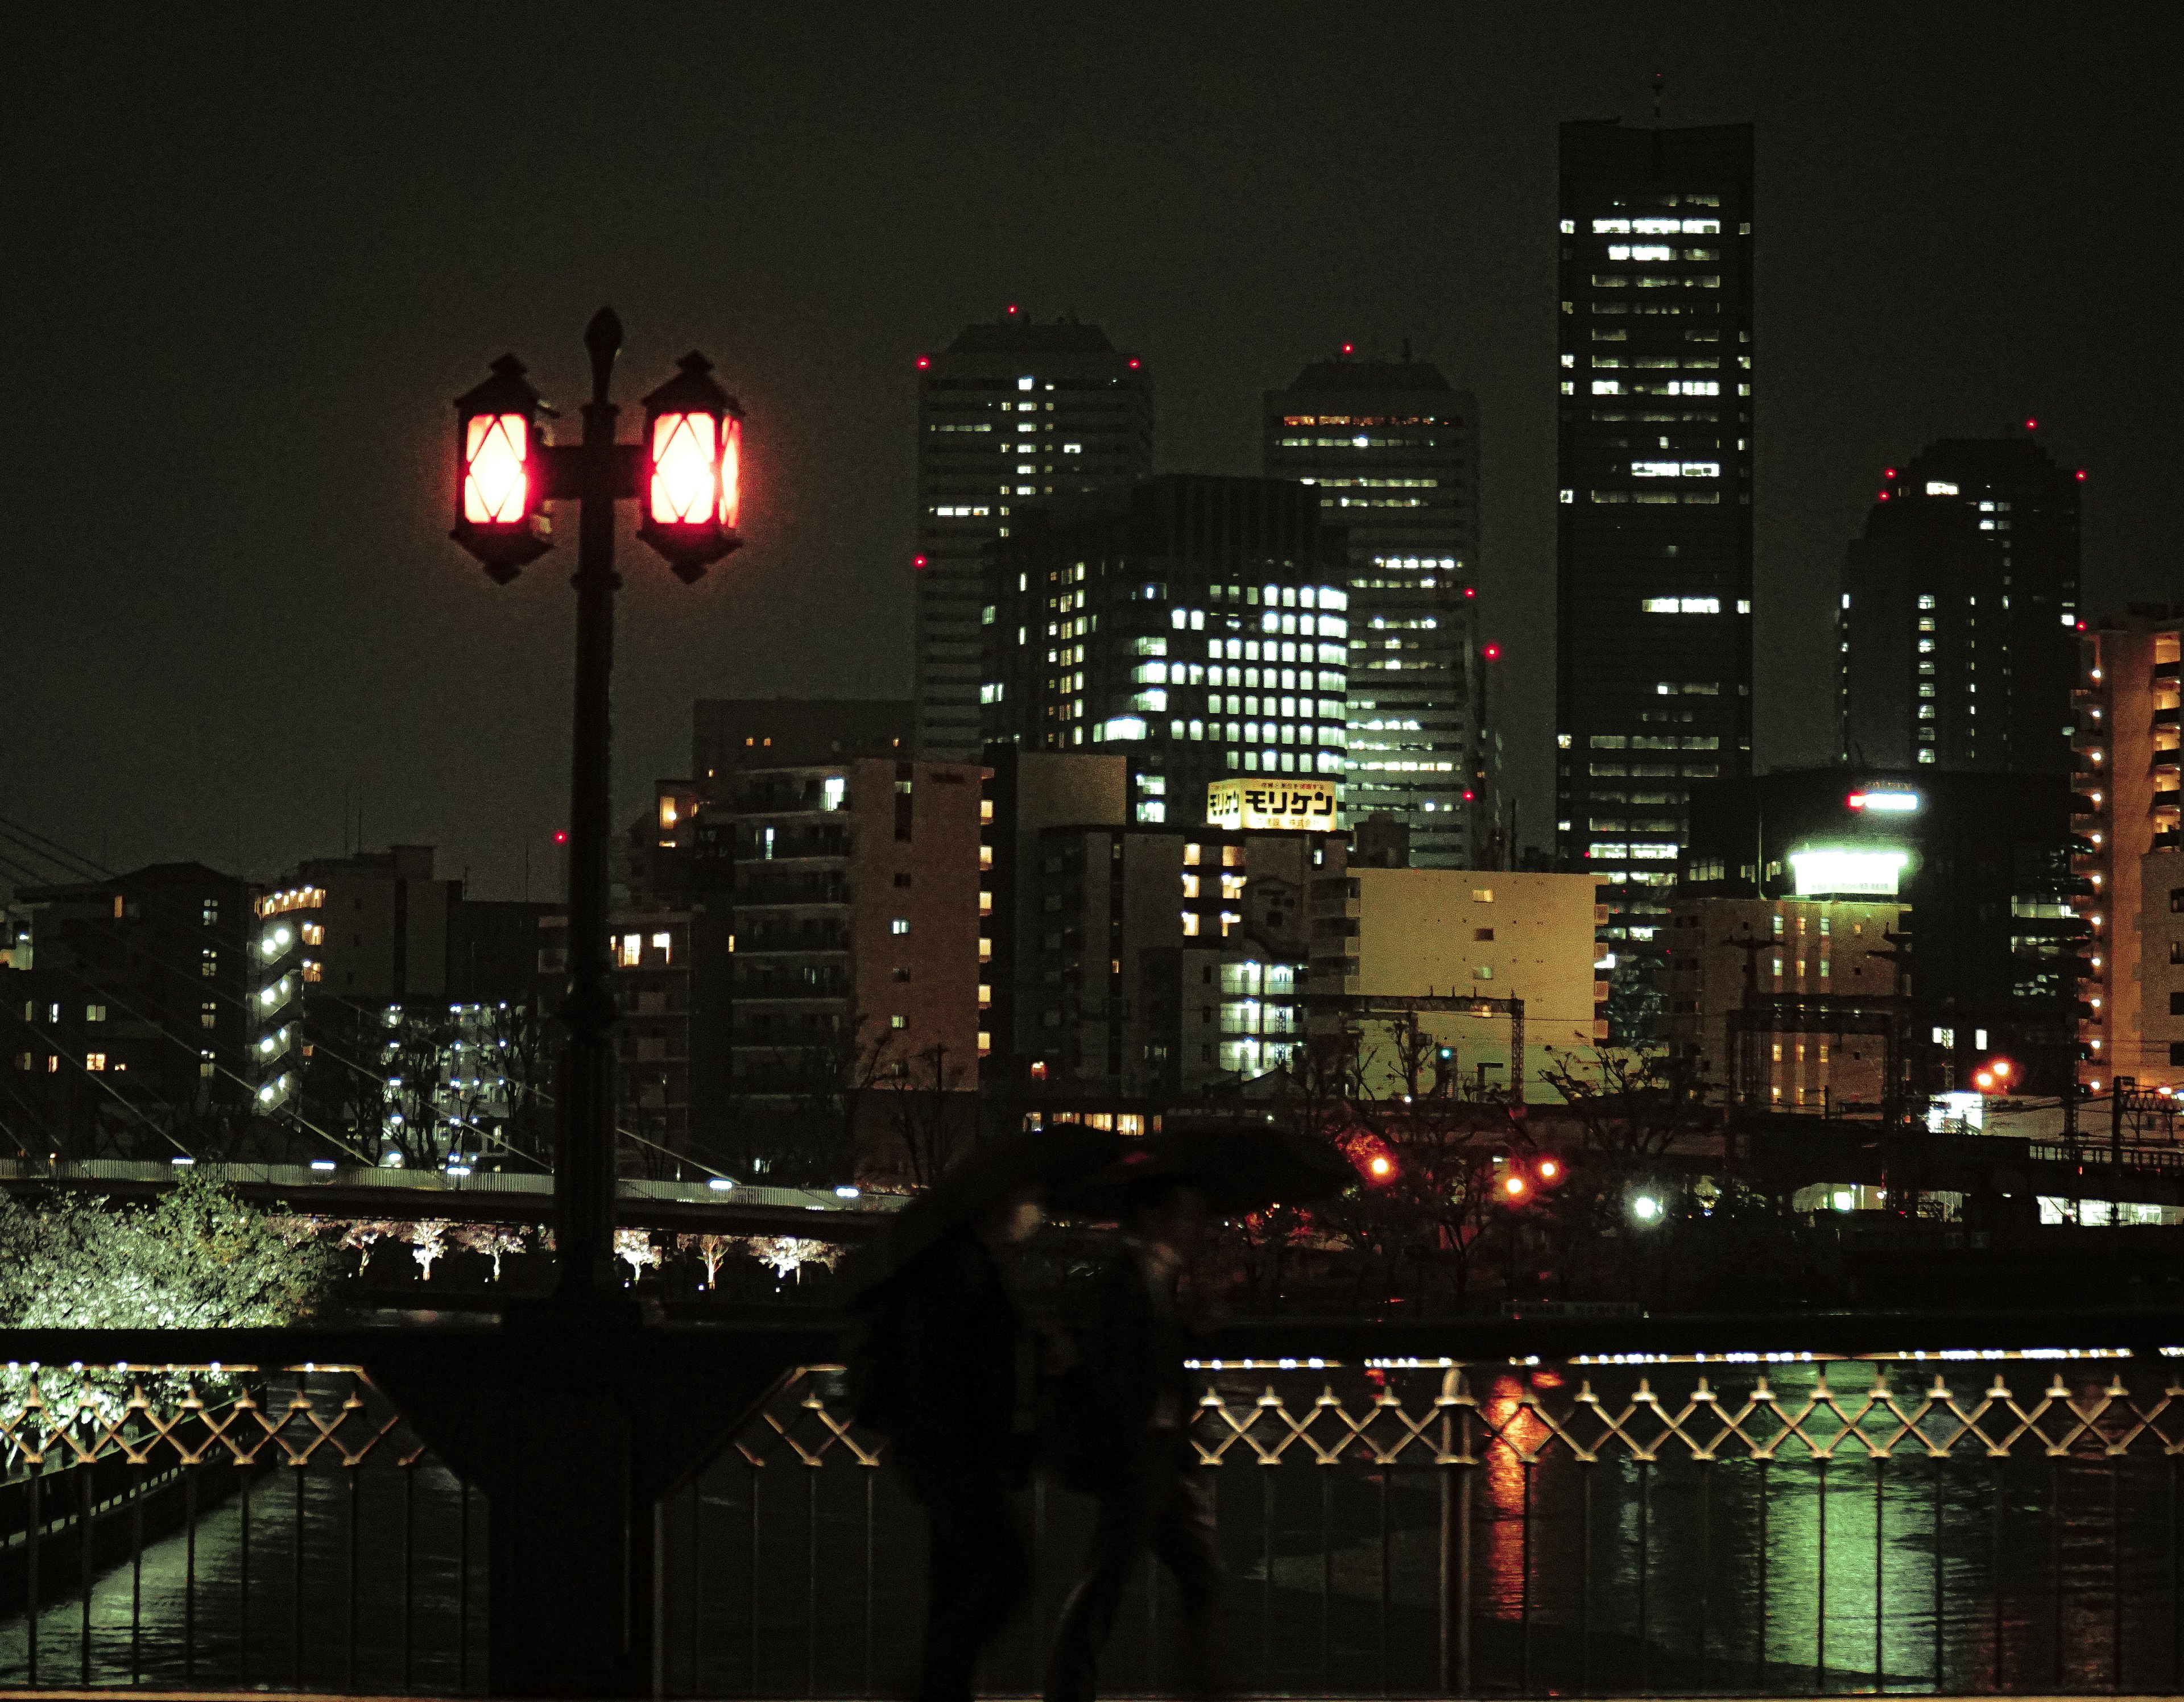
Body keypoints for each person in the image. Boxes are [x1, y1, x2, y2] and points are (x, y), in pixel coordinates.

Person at [858, 1184, 1045, 1702]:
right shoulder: (963, 1268)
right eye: (1024, 1204)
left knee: (958, 1579)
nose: (1032, 1213)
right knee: (1003, 1574)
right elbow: (966, 1358)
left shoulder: (955, 1260)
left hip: (944, 1447)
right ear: (996, 1208)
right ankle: (937, 1685)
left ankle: (942, 1686)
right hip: (958, 1448)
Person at [1044, 1179, 1225, 1702]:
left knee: (1138, 1576)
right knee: (1127, 1578)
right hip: (1139, 1452)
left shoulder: (1145, 1274)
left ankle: (1075, 1688)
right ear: (1152, 1218)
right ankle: (1200, 1688)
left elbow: (1145, 1348)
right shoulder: (1124, 1279)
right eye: (1185, 1216)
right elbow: (1125, 1360)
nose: (1194, 1229)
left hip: (1150, 1454)